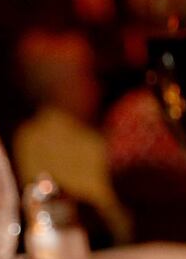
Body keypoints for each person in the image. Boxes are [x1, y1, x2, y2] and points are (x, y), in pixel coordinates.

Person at [11, 30, 131, 243]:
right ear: (59, 86)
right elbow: (92, 210)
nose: (96, 87)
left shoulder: (91, 134)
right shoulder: (40, 138)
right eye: (85, 76)